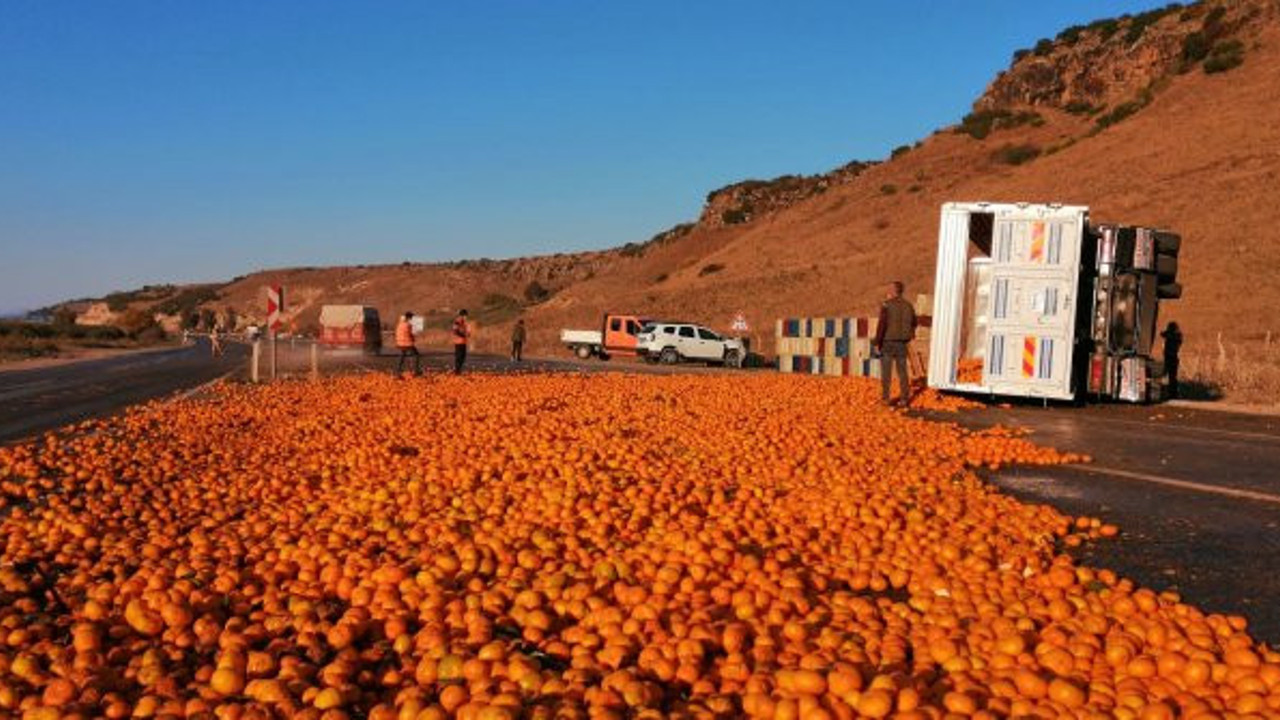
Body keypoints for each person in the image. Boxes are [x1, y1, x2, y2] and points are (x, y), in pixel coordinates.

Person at [874, 280, 917, 407]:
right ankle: (904, 398)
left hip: (888, 342)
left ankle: (886, 398)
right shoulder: (909, 305)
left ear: (893, 291)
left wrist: (877, 342)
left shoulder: (887, 305)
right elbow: (914, 322)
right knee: (902, 371)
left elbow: (882, 325)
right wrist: (909, 334)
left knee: (886, 371)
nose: (888, 291)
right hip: (902, 343)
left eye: (889, 289)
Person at [395, 311, 421, 376]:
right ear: (409, 318)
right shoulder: (408, 325)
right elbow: (411, 334)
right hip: (407, 343)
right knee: (416, 355)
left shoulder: (400, 324)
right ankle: (416, 371)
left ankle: (398, 371)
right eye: (411, 318)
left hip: (399, 343)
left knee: (402, 357)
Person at [1161, 321, 1183, 398]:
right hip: (1173, 358)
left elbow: (1163, 334)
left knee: (1169, 376)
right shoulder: (1177, 335)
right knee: (1172, 377)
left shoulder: (1174, 336)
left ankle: (1171, 393)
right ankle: (1172, 393)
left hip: (1170, 358)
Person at [451, 309, 470, 374]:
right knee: (459, 357)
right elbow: (455, 331)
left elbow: (465, 330)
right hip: (458, 342)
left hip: (463, 342)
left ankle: (459, 370)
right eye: (466, 315)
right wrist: (464, 335)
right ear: (462, 315)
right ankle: (457, 371)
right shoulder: (457, 322)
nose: (466, 317)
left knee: (463, 356)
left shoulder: (464, 322)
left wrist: (467, 333)